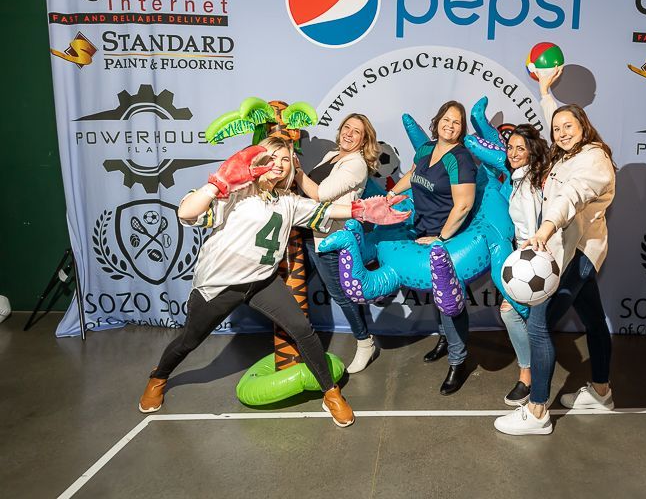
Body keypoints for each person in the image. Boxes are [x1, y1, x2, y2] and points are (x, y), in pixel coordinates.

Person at [137, 137, 409, 427]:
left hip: (262, 282)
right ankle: (159, 376)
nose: (278, 165)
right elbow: (186, 212)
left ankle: (330, 393)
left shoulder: (288, 202)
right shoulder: (235, 193)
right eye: (272, 158)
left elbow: (325, 211)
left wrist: (362, 211)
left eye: (284, 160)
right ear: (256, 162)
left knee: (302, 329)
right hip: (219, 286)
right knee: (189, 340)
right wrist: (218, 183)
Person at [494, 68, 617, 435]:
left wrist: (544, 230)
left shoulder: (593, 159)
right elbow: (555, 118)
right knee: (593, 320)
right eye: (557, 128)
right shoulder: (569, 152)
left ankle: (537, 412)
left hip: (575, 255)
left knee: (540, 325)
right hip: (577, 252)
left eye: (569, 127)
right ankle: (601, 391)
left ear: (584, 127)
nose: (561, 133)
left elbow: (570, 196)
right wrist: (545, 91)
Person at [389, 100, 477, 395]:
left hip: (450, 235)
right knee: (435, 295)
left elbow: (463, 205)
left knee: (449, 298)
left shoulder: (460, 158)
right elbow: (412, 175)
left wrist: (441, 238)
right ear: (437, 120)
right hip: (424, 228)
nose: (450, 125)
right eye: (446, 119)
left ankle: (458, 360)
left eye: (457, 122)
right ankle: (444, 340)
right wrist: (390, 194)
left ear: (462, 129)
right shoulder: (426, 149)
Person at [296, 114, 380, 374]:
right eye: (347, 128)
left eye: (356, 132)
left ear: (364, 140)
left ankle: (365, 342)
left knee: (341, 295)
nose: (349, 134)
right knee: (293, 288)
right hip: (309, 233)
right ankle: (294, 344)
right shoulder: (333, 155)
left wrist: (296, 170)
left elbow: (320, 194)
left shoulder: (356, 164)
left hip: (331, 238)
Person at [500, 124, 551, 406]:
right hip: (521, 255)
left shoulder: (531, 180)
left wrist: (526, 258)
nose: (514, 153)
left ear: (532, 151)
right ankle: (529, 374)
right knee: (518, 316)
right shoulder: (518, 178)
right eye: (511, 147)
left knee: (509, 312)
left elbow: (535, 226)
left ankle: (527, 377)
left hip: (532, 259)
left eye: (521, 148)